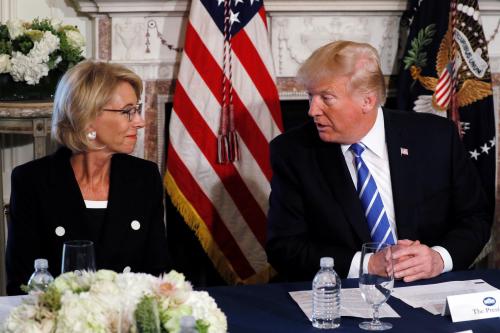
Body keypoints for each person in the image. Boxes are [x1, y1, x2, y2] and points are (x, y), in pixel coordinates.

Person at [266, 40, 491, 283]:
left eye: (326, 98)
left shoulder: (436, 137)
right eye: (311, 96)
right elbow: (284, 247)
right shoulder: (294, 152)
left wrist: (439, 258)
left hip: (429, 287)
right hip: (344, 293)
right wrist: (368, 264)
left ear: (367, 101)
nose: (312, 110)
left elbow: (475, 218)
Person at [6, 61, 171, 295]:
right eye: (128, 111)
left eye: (137, 109)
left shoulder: (144, 178)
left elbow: (158, 275)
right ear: (87, 118)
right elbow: (22, 284)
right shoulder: (32, 181)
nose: (140, 122)